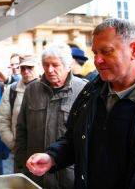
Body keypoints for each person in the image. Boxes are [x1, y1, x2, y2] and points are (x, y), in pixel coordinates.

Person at [26, 18, 135, 189]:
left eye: (106, 51)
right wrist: (53, 157)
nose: (97, 60)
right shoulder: (91, 90)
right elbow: (74, 139)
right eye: (95, 52)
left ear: (134, 50)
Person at [15, 43, 87, 188]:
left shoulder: (83, 90)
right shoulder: (32, 90)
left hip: (67, 175)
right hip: (34, 172)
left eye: (55, 65)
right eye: (46, 65)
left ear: (68, 66)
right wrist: (20, 166)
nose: (50, 70)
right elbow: (22, 130)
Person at [0, 54, 39, 174]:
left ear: (38, 67)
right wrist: (14, 145)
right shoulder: (12, 90)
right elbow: (2, 120)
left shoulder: (47, 88)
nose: (26, 71)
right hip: (21, 152)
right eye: (23, 68)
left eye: (30, 67)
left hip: (44, 152)